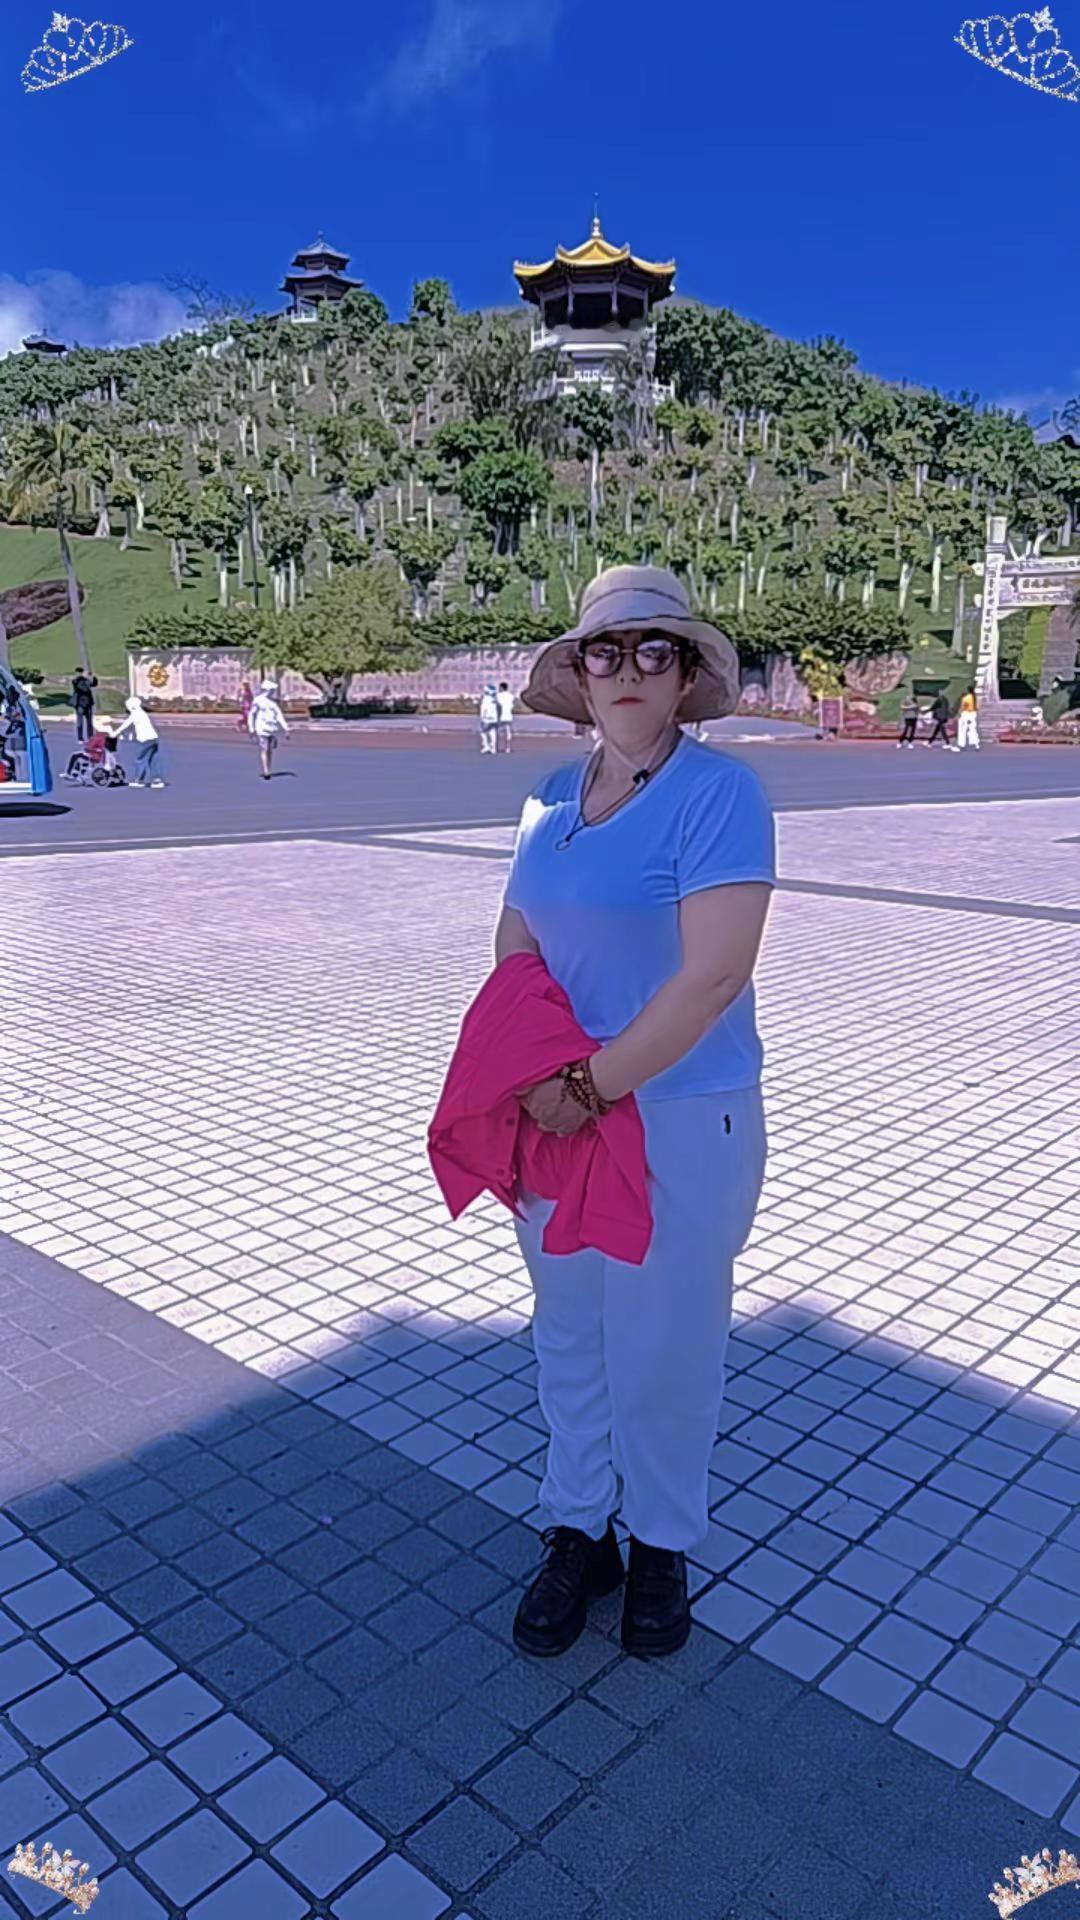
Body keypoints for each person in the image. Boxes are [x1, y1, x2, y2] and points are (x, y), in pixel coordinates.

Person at [497, 565, 775, 1660]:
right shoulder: (546, 800)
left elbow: (714, 975)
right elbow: (518, 940)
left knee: (665, 1343)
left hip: (678, 1115)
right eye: (604, 652)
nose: (627, 670)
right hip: (560, 1114)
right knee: (568, 1331)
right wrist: (531, 1072)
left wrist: (590, 1086)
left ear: (686, 674)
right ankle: (580, 1525)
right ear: (577, 673)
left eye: (653, 650)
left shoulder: (719, 796)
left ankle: (660, 1542)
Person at [114, 695, 165, 787]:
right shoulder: (142, 713)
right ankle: (157, 780)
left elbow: (126, 725)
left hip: (145, 739)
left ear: (132, 706)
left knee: (141, 759)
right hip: (154, 738)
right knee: (153, 759)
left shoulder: (135, 714)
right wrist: (129, 735)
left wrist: (115, 733)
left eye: (128, 707)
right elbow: (133, 727)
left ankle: (139, 780)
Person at [248, 678, 289, 779]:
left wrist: (286, 728)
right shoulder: (258, 701)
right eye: (271, 690)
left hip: (272, 729)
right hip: (261, 729)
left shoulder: (273, 703)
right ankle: (266, 771)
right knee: (264, 749)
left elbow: (279, 715)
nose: (272, 692)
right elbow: (252, 714)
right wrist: (251, 728)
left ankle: (268, 769)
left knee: (269, 750)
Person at [71, 670, 98, 743]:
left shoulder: (86, 680)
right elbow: (81, 686)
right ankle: (80, 738)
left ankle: (90, 737)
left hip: (88, 704)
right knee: (80, 721)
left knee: (89, 722)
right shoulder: (76, 680)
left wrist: (92, 677)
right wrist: (88, 678)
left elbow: (94, 684)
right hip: (80, 704)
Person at [957, 686, 980, 751]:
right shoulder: (975, 698)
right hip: (973, 714)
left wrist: (960, 713)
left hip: (966, 714)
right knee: (972, 729)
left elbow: (962, 707)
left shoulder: (966, 698)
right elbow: (977, 707)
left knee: (962, 729)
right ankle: (976, 745)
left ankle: (962, 744)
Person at [479, 683, 499, 755]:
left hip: (487, 718)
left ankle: (486, 746)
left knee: (482, 732)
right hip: (494, 718)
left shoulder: (486, 699)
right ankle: (493, 748)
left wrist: (482, 717)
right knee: (492, 732)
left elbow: (483, 709)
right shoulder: (494, 699)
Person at [496, 682, 515, 754]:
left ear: (501, 688)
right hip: (509, 716)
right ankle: (508, 748)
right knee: (508, 731)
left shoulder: (498, 695)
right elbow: (512, 705)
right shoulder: (511, 696)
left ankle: (496, 746)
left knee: (497, 731)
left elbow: (497, 705)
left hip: (501, 716)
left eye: (499, 687)